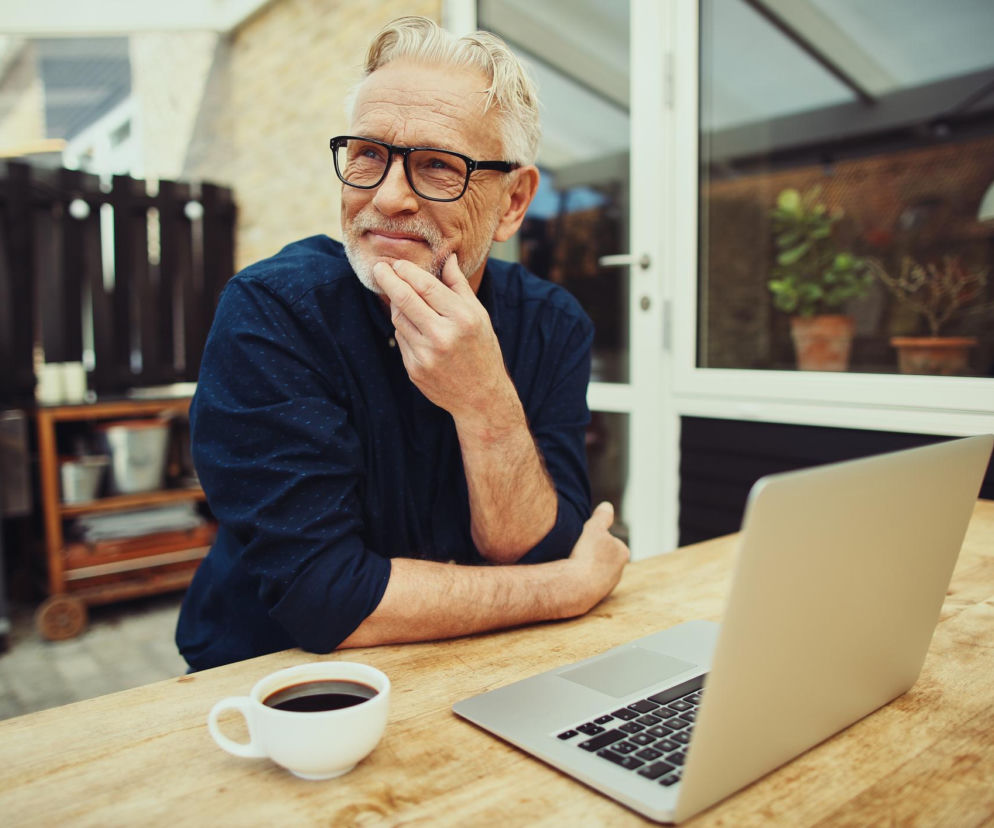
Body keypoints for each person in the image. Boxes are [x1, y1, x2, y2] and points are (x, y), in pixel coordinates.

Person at [176, 16, 629, 671]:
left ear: (512, 202)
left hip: (480, 663)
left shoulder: (551, 322)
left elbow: (535, 547)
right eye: (367, 154)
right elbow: (325, 599)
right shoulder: (273, 314)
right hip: (275, 684)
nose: (387, 198)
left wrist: (485, 402)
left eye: (438, 165)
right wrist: (566, 588)